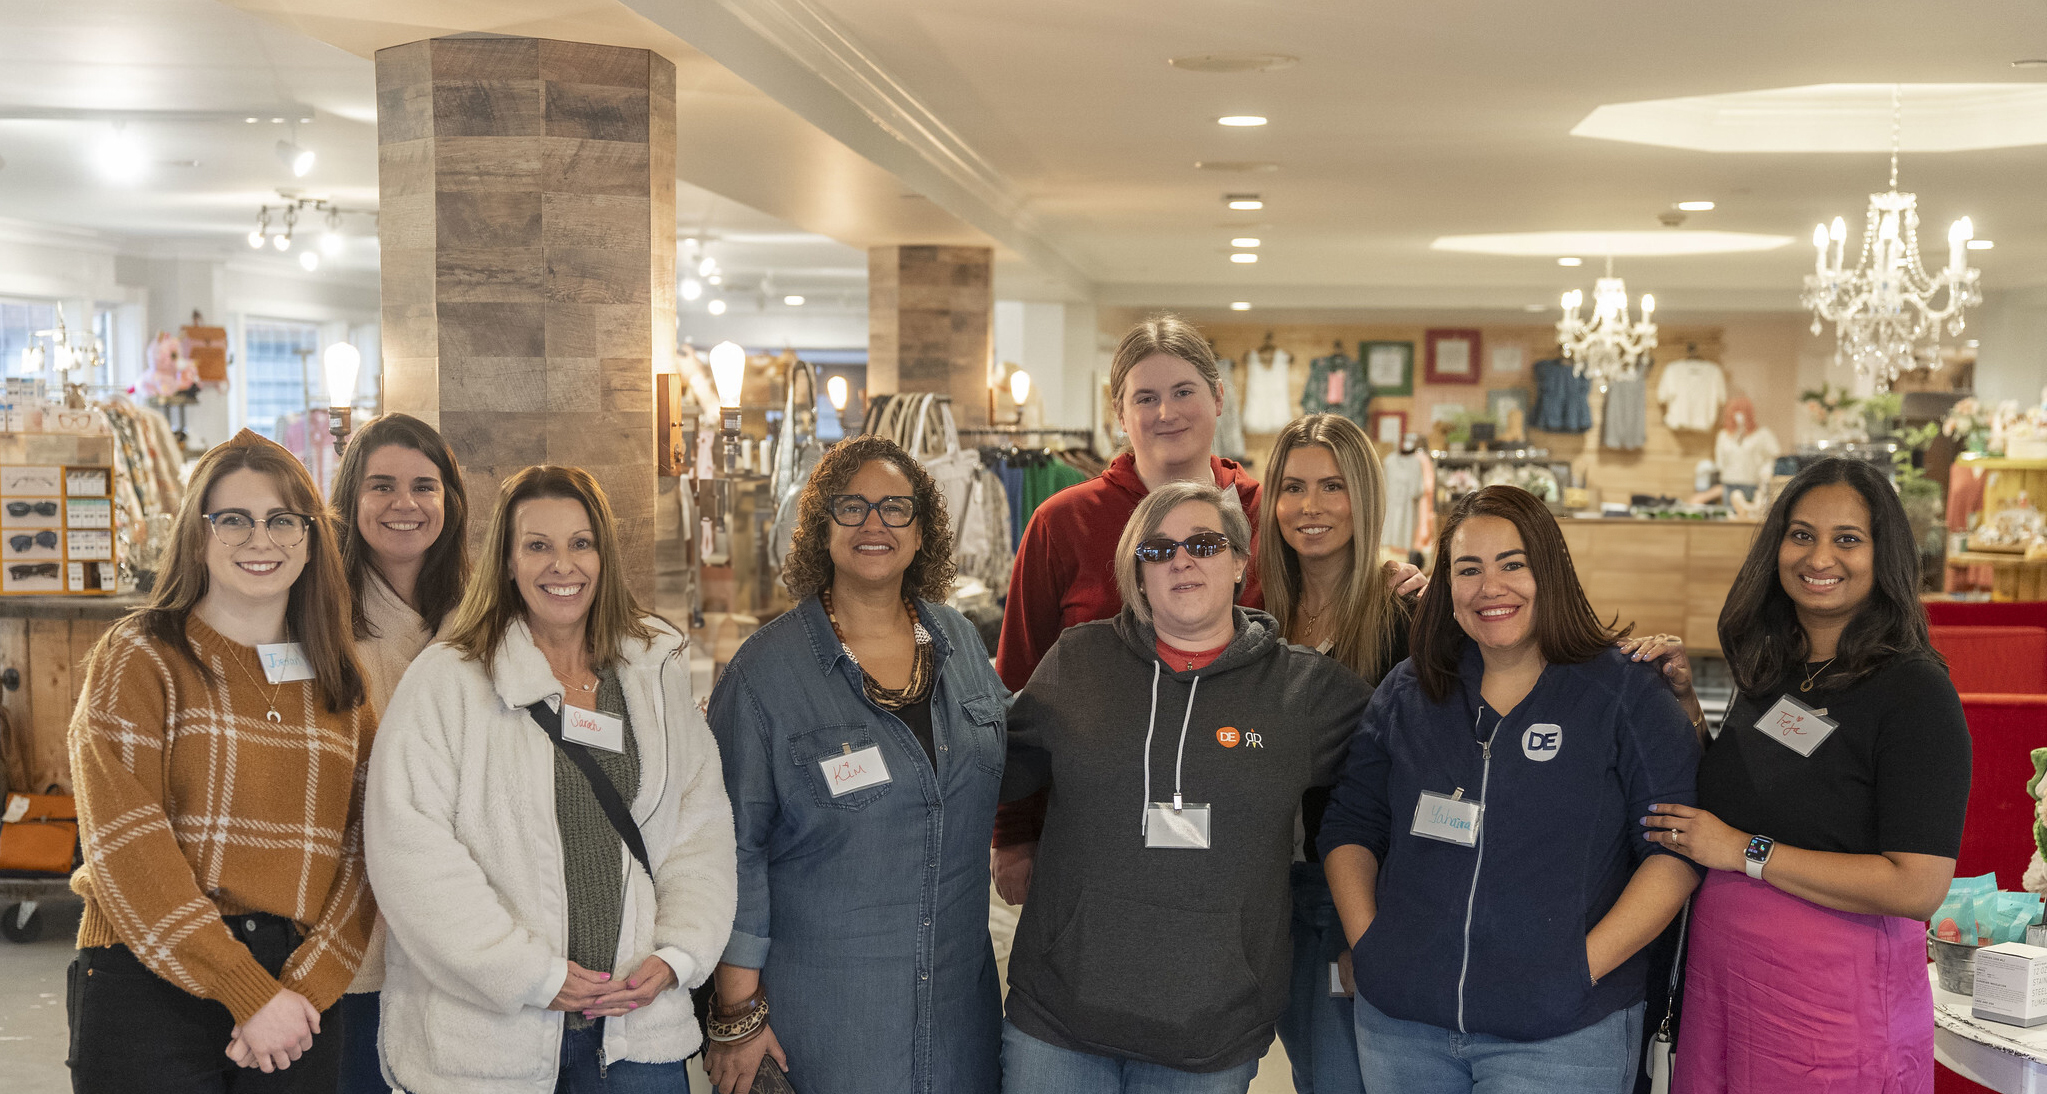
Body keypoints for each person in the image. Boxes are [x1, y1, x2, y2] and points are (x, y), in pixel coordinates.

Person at [993, 318, 1419, 903]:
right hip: (1092, 829)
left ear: (1218, 399)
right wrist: (1013, 835)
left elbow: (1328, 577)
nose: (1166, 412)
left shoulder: (1269, 513)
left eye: (1183, 391)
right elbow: (1018, 681)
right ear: (1120, 413)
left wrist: (1386, 577)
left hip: (1247, 837)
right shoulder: (1063, 522)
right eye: (1146, 397)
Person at [364, 465, 735, 1094]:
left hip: (634, 1034)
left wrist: (677, 956)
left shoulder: (653, 670)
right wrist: (529, 974)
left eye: (580, 543)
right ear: (507, 562)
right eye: (537, 545)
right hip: (488, 1044)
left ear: (604, 556)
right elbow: (411, 852)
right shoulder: (448, 680)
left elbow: (699, 831)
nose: (562, 565)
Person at [1319, 485, 1700, 1094]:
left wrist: (1578, 970)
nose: (1489, 588)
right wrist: (1373, 945)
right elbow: (1350, 826)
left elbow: (1674, 849)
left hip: (1563, 1034)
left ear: (1550, 572)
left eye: (1512, 564)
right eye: (1468, 569)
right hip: (1403, 1029)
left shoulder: (1624, 692)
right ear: (1447, 586)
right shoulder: (1409, 692)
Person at [1000, 480, 1372, 1093]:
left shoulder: (1306, 693)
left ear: (1238, 564)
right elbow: (991, 763)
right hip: (1059, 1022)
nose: (1181, 560)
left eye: (1204, 543)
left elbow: (1414, 752)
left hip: (1211, 1033)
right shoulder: (1080, 660)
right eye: (1158, 551)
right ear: (1137, 574)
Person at [1633, 458, 1969, 1093]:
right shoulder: (1777, 667)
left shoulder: (1915, 691)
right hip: (1725, 986)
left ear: (1884, 554)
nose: (1820, 556)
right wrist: (1680, 703)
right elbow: (1756, 791)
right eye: (1801, 534)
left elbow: (1918, 885)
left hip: (1831, 1008)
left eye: (1848, 538)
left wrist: (1744, 852)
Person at [66, 429, 375, 1091]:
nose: (259, 540)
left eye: (281, 520)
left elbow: (366, 852)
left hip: (296, 995)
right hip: (145, 976)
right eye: (232, 519)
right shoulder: (141, 656)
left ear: (311, 536)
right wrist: (244, 990)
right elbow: (126, 842)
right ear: (197, 534)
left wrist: (304, 988)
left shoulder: (339, 685)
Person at [705, 435, 1008, 1094]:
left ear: (922, 530)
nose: (874, 524)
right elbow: (731, 849)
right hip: (829, 1024)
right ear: (822, 526)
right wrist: (736, 1014)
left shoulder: (957, 640)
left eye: (896, 508)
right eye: (852, 507)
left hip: (960, 1018)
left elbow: (1020, 761)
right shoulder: (765, 675)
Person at [1256, 414, 1414, 1094]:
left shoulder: (1404, 615)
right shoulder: (1252, 617)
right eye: (1292, 488)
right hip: (1263, 888)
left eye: (1332, 487)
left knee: (1341, 1076)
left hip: (1355, 891)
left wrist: (1371, 929)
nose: (1310, 508)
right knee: (1309, 1069)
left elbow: (1423, 778)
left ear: (1364, 496)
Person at [327, 412, 471, 1093]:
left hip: (462, 921)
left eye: (424, 485)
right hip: (354, 926)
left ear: (451, 500)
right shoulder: (316, 615)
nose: (404, 504)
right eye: (381, 486)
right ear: (351, 500)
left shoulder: (481, 618)